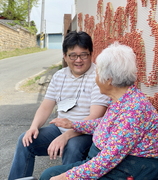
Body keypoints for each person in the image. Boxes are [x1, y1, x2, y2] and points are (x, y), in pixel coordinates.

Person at [39, 42, 158, 180]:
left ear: (108, 80)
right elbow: (108, 124)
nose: (95, 80)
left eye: (97, 74)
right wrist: (73, 124)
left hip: (130, 168)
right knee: (49, 175)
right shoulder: (123, 99)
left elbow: (107, 160)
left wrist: (66, 177)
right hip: (111, 161)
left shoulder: (134, 111)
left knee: (50, 176)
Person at [8, 31, 109, 180]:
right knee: (26, 140)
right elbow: (45, 106)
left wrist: (67, 135)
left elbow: (95, 117)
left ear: (91, 54)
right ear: (64, 55)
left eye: (84, 55)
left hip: (86, 133)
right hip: (59, 128)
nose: (78, 60)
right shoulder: (59, 75)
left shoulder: (98, 77)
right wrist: (33, 127)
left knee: (72, 146)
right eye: (73, 55)